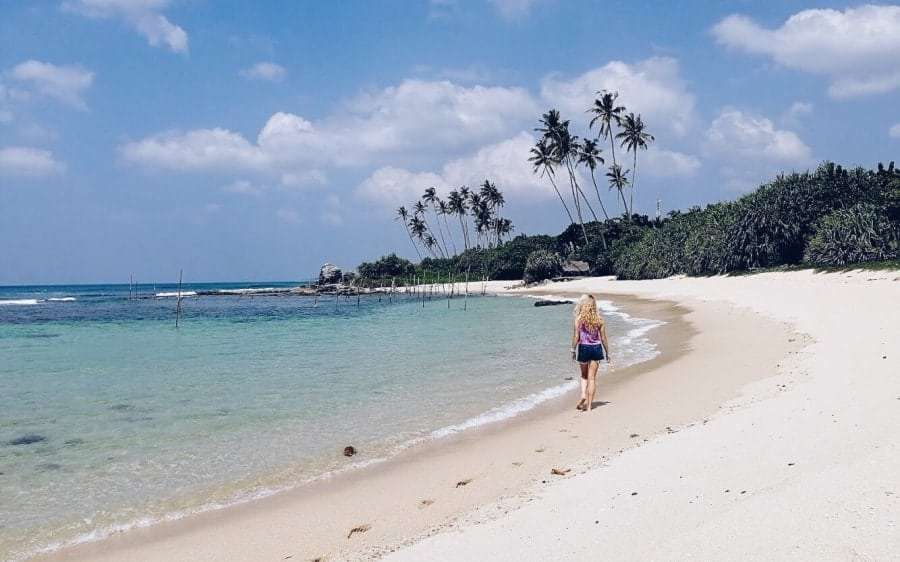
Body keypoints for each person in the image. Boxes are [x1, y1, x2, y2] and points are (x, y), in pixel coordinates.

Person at [571, 294, 610, 411]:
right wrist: (607, 353)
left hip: (583, 348)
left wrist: (573, 350)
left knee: (584, 376)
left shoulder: (578, 319)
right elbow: (603, 338)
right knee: (592, 378)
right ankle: (589, 407)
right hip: (596, 348)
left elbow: (576, 337)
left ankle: (583, 394)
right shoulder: (599, 319)